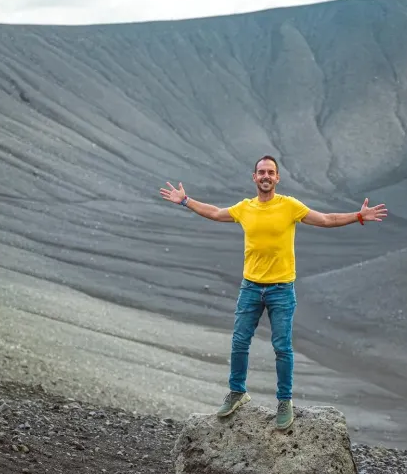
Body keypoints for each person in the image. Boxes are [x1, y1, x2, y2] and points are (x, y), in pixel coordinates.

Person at [159, 154, 387, 430]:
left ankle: (284, 401)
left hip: (281, 289)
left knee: (282, 347)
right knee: (240, 342)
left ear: (277, 178)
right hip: (250, 288)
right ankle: (237, 393)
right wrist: (186, 201)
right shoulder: (245, 208)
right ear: (254, 178)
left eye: (270, 172)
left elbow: (326, 219)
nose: (266, 176)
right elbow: (216, 213)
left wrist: (359, 215)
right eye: (261, 172)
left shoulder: (289, 206)